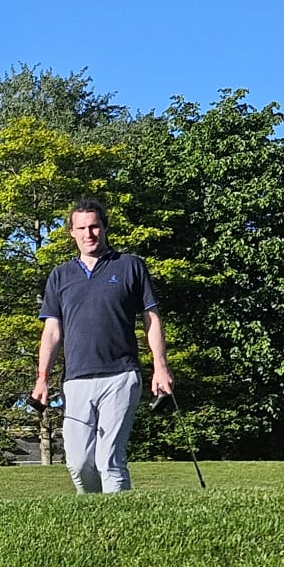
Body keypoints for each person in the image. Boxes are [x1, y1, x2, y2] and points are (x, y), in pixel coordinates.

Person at [32, 199, 172, 494]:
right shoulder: (60, 275)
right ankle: (97, 517)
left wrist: (160, 367)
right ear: (71, 232)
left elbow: (151, 318)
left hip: (121, 374)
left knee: (109, 458)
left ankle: (121, 526)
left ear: (105, 227)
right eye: (81, 228)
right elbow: (52, 331)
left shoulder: (130, 266)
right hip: (76, 379)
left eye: (94, 226)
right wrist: (42, 378)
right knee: (79, 462)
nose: (89, 233)